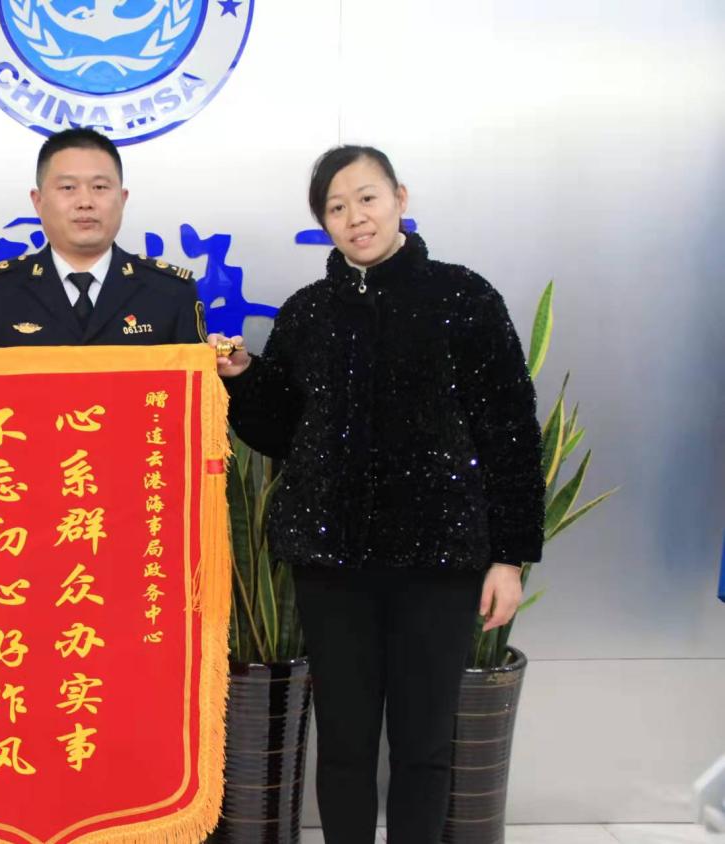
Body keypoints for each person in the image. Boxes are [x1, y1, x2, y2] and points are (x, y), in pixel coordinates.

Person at [210, 146, 544, 844]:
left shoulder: (464, 298)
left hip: (439, 563)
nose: (355, 217)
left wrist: (509, 557)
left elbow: (510, 431)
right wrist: (243, 375)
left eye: (366, 198)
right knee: (344, 744)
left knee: (424, 745)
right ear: (323, 224)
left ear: (399, 198)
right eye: (336, 207)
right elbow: (279, 432)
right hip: (332, 565)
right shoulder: (308, 312)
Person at [0, 127, 203, 347]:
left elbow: (200, 386)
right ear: (38, 201)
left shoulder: (171, 292)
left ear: (122, 199)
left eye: (99, 187)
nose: (85, 202)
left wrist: (226, 370)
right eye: (68, 187)